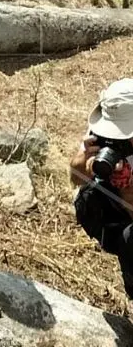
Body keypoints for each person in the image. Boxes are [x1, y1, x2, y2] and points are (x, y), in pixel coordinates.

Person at [70, 79, 133, 298]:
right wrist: (84, 161)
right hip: (114, 210)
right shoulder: (102, 133)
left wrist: (126, 189)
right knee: (89, 196)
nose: (114, 142)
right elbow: (74, 178)